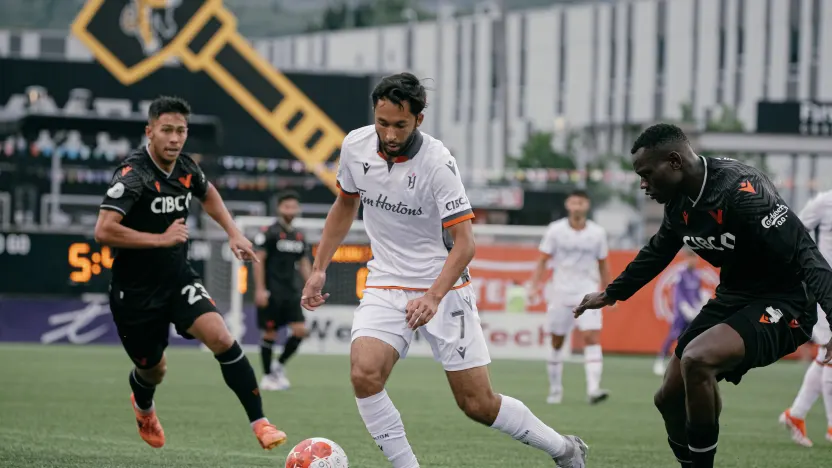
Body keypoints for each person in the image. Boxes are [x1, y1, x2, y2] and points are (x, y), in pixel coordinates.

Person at [301, 72, 588, 468]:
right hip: (385, 281)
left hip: (444, 287)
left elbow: (466, 243)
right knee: (364, 375)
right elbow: (345, 205)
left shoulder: (438, 162)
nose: (388, 133)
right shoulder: (354, 145)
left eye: (399, 125)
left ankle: (563, 448)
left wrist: (433, 296)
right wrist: (319, 267)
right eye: (382, 122)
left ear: (419, 119)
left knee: (477, 404)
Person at [572, 123, 832, 468]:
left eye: (647, 174)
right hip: (733, 297)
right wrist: (611, 294)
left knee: (698, 359)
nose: (643, 184)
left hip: (785, 301)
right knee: (667, 398)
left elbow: (805, 253)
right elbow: (659, 250)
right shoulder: (679, 202)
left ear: (675, 161)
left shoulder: (743, 191)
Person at [94, 96, 286, 451]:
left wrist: (233, 231)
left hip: (178, 279)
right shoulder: (133, 175)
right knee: (154, 370)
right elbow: (104, 230)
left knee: (222, 338)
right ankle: (144, 406)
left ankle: (261, 423)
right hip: (135, 293)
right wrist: (160, 239)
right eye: (166, 130)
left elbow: (207, 192)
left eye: (181, 131)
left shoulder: (185, 168)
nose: (175, 138)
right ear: (149, 132)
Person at [530, 190, 612, 405]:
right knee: (557, 341)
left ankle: (593, 389)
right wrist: (534, 286)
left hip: (587, 291)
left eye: (581, 202)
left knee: (591, 337)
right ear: (568, 204)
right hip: (560, 291)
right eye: (574, 202)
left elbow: (603, 263)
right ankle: (555, 389)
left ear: (587, 205)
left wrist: (611, 292)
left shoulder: (597, 233)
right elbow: (543, 260)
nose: (577, 206)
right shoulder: (555, 230)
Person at [779, 189, 832, 446]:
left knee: (825, 356)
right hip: (826, 288)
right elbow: (794, 231)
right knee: (831, 356)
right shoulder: (824, 202)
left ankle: (796, 414)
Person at [253, 190, 312, 391]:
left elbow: (304, 263)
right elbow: (258, 261)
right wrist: (260, 289)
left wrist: (312, 286)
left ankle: (278, 365)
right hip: (271, 291)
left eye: (294, 206)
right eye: (287, 206)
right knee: (270, 333)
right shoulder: (268, 232)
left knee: (301, 331)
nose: (291, 210)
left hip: (292, 292)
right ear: (279, 208)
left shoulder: (298, 236)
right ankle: (268, 376)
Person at [653, 248, 705, 376]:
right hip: (681, 312)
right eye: (691, 257)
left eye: (696, 258)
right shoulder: (680, 274)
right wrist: (684, 307)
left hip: (693, 312)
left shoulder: (697, 275)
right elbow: (677, 294)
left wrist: (700, 304)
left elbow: (697, 294)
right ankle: (660, 361)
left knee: (691, 338)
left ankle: (688, 364)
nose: (694, 260)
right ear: (687, 259)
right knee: (673, 335)